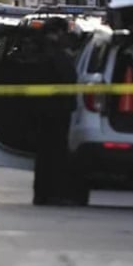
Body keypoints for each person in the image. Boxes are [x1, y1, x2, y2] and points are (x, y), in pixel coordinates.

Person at [31, 17, 81, 206]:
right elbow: (67, 78)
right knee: (54, 153)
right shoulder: (54, 54)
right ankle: (50, 193)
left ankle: (43, 193)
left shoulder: (39, 49)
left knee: (45, 154)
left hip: (45, 109)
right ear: (59, 32)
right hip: (55, 110)